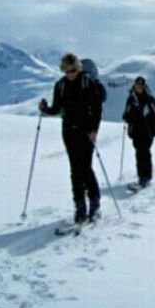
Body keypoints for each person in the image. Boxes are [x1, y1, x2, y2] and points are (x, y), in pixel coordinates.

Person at [38, 53, 103, 224]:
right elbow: (57, 109)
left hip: (86, 131)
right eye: (67, 71)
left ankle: (94, 203)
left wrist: (94, 129)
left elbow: (97, 108)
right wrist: (45, 109)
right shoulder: (60, 85)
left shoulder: (87, 82)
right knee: (75, 169)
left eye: (73, 70)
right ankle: (80, 206)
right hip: (68, 131)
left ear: (78, 68)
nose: (70, 74)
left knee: (85, 168)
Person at [122, 76, 155, 189]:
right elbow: (126, 113)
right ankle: (143, 177)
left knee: (144, 152)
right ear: (135, 86)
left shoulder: (149, 99)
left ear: (144, 86)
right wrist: (127, 118)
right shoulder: (131, 99)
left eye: (141, 85)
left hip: (147, 130)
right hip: (136, 130)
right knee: (140, 152)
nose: (139, 87)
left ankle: (145, 177)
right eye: (137, 84)